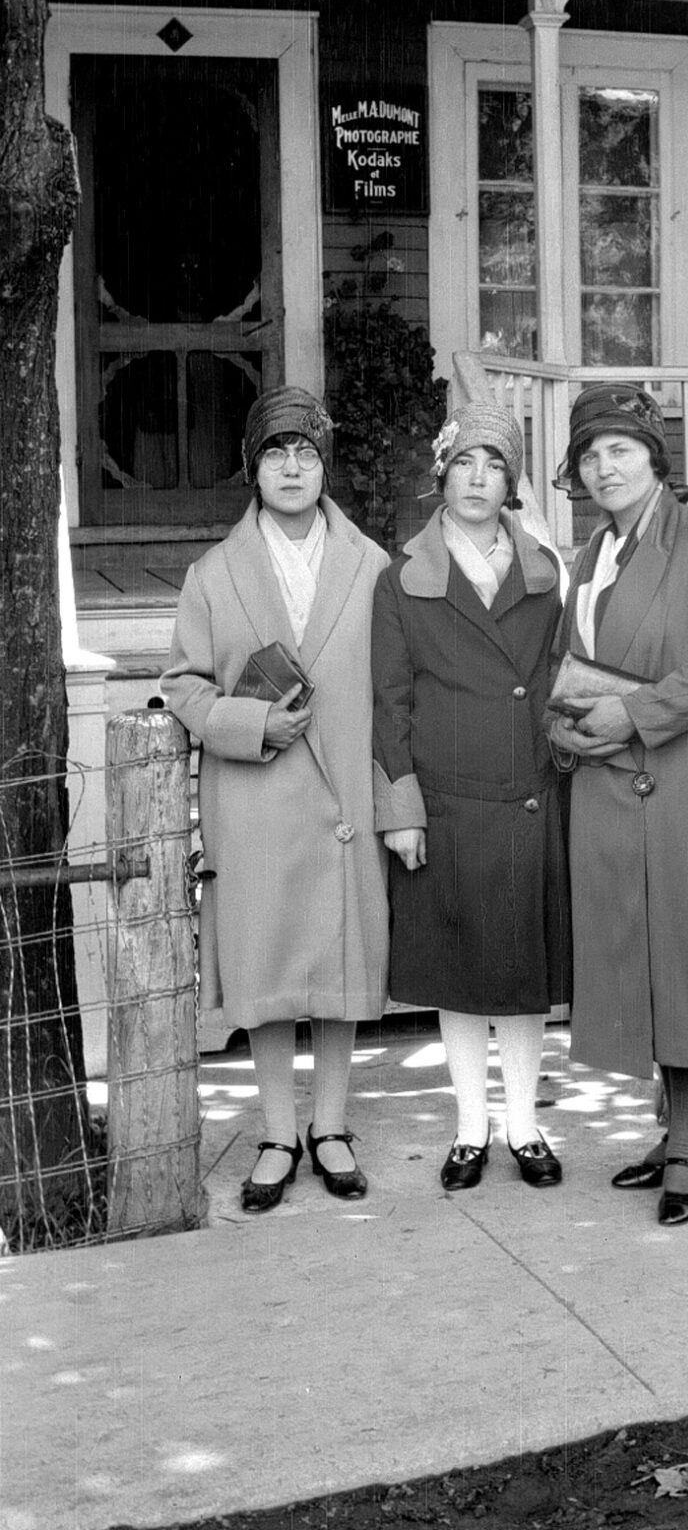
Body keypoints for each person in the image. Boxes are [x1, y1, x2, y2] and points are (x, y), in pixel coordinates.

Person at [161, 385, 390, 1212]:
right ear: (252, 469)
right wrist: (252, 721)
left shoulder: (372, 566)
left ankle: (330, 1127)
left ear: (324, 467)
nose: (291, 468)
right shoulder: (213, 574)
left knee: (337, 964)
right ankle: (277, 1133)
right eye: (274, 453)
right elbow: (183, 686)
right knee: (265, 966)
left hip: (343, 796)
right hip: (255, 798)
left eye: (306, 453)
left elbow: (396, 688)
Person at [548, 383, 688, 1228]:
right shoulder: (590, 557)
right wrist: (566, 724)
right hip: (608, 785)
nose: (605, 468)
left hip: (682, 786)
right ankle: (676, 1130)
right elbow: (575, 661)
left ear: (654, 460)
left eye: (620, 451)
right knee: (640, 965)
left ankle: (687, 1147)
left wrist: (633, 714)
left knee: (687, 960)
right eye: (590, 456)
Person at [371, 402, 570, 1192]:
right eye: (464, 462)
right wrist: (402, 810)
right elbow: (390, 704)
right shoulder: (402, 579)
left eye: (494, 465)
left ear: (511, 483)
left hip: (527, 792)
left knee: (520, 974)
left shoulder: (544, 573)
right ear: (442, 475)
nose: (477, 478)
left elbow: (557, 677)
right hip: (447, 802)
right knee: (457, 973)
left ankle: (524, 1125)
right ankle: (469, 1129)